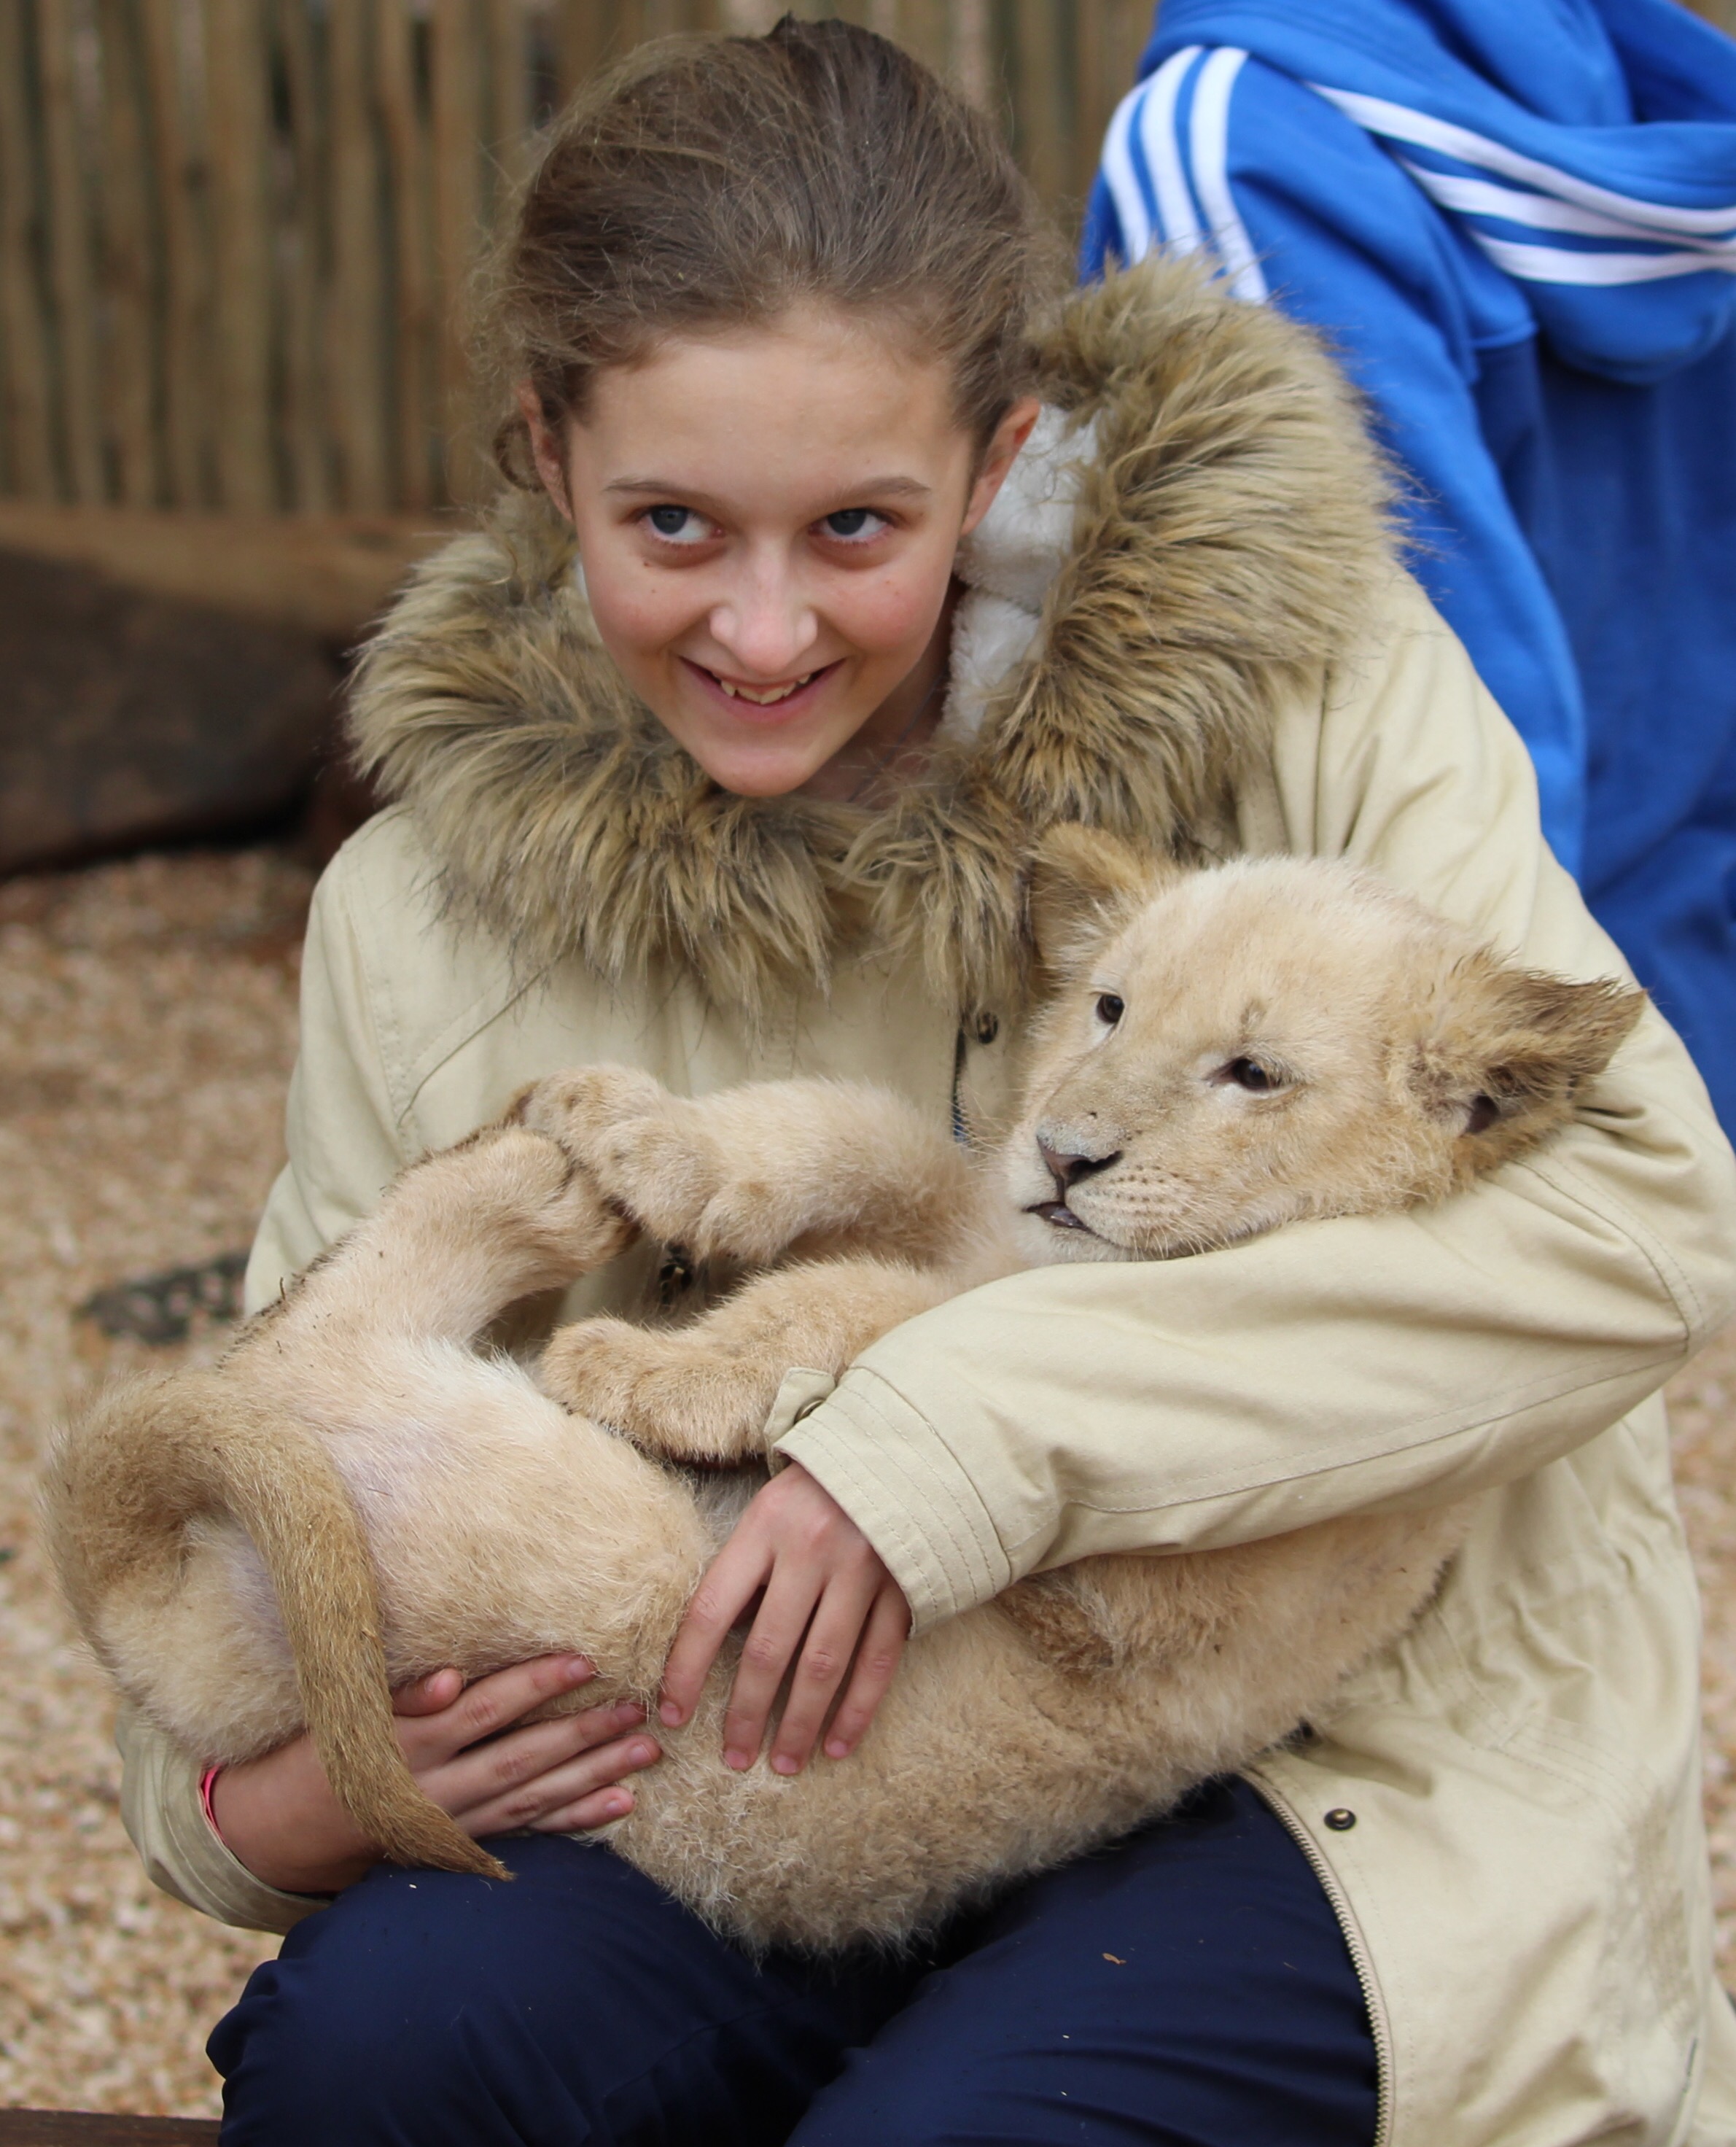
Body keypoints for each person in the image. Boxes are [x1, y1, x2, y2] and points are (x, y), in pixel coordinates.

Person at [111, 20, 1736, 2145]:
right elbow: (279, 1424)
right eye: (673, 525)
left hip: (1312, 1745)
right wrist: (271, 1802)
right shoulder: (418, 908)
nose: (764, 629)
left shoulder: (1314, 674)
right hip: (744, 1757)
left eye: (854, 526)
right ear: (543, 454)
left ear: (998, 460)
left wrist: (952, 1437)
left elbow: (1644, 1216)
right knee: (378, 2053)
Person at [1081, 0, 1736, 1135]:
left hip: (1493, 1104)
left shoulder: (1232, 145)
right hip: (1682, 1032)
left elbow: (1428, 706)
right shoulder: (1670, 117)